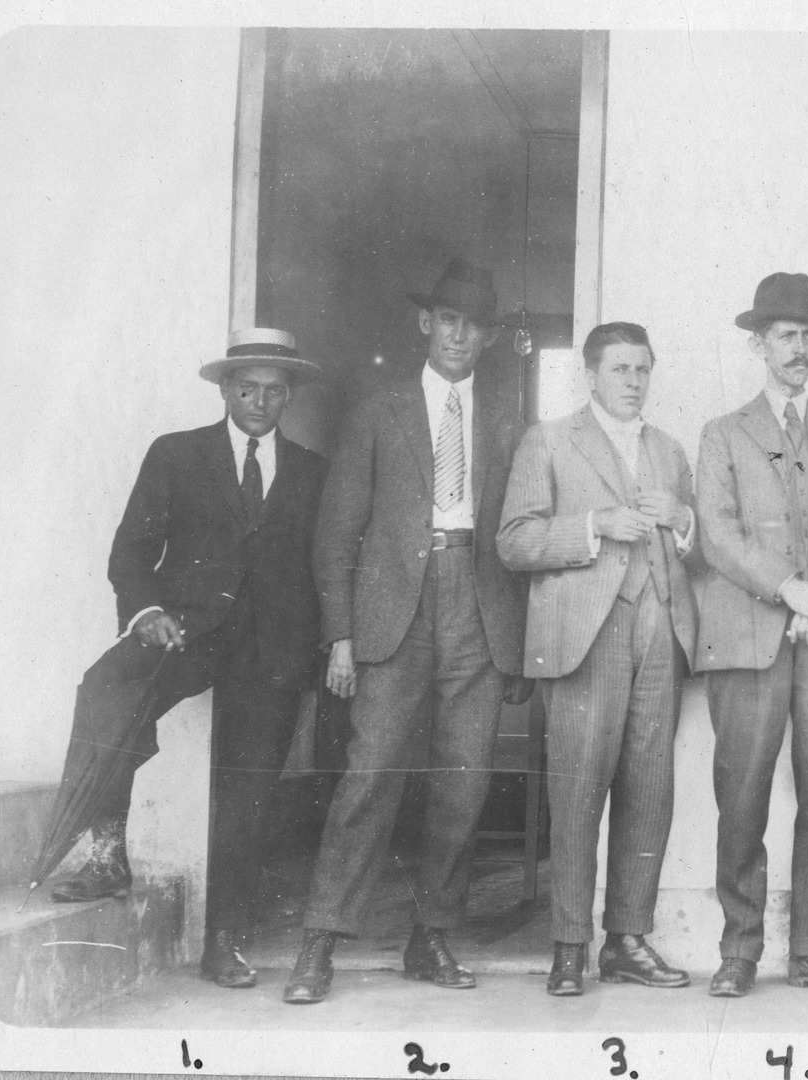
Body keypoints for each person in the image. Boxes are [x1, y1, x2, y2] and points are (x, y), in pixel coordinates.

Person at [47, 328, 326, 989]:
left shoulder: (315, 471)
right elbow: (130, 552)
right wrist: (147, 612)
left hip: (271, 647)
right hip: (189, 630)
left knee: (247, 790)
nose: (260, 401)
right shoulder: (176, 454)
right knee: (108, 686)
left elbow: (326, 562)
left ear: (290, 395)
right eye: (247, 388)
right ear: (225, 389)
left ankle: (224, 941)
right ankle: (107, 853)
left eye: (274, 390)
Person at [283, 258, 527, 1004]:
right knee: (371, 772)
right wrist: (341, 635)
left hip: (477, 608)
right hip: (393, 611)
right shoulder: (379, 410)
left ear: (488, 338)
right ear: (427, 324)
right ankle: (321, 940)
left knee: (464, 781)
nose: (459, 336)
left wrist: (518, 644)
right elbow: (336, 532)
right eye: (448, 320)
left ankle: (431, 936)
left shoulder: (506, 421)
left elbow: (516, 535)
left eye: (474, 326)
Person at [497, 322, 700, 996]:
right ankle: (568, 946)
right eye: (620, 369)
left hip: (660, 630)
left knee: (650, 790)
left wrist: (683, 519)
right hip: (586, 634)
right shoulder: (549, 440)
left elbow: (698, 547)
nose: (633, 381)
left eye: (642, 369)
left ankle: (628, 941)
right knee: (578, 790)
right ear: (589, 376)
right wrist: (593, 527)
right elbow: (513, 542)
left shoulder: (669, 450)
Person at [693, 272, 808, 997]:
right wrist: (790, 588)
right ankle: (739, 950)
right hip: (748, 641)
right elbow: (717, 534)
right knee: (742, 794)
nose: (799, 349)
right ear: (758, 345)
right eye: (785, 336)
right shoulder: (722, 435)